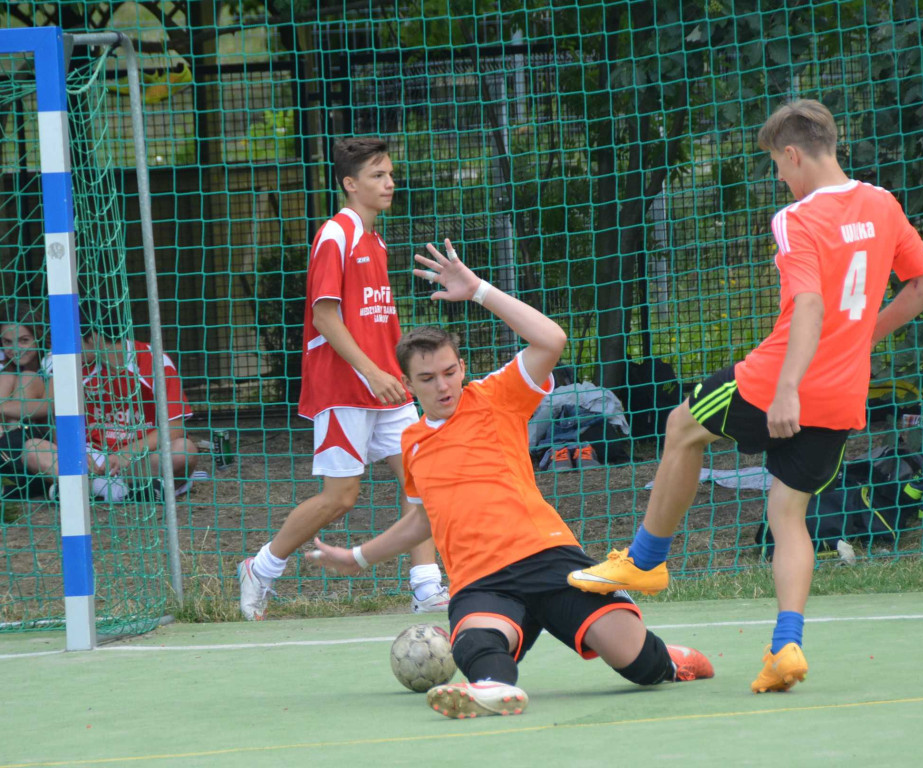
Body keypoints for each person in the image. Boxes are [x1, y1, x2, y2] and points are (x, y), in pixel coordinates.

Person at [568, 99, 923, 694]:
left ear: (793, 153)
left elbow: (813, 306)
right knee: (786, 513)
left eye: (776, 164)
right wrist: (866, 334)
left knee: (681, 425)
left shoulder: (797, 219)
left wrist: (789, 387)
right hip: (846, 391)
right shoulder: (882, 204)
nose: (777, 177)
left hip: (776, 381)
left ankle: (643, 561)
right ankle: (785, 647)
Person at [309, 239, 714, 719]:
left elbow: (551, 340)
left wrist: (478, 289)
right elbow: (422, 522)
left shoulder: (495, 397)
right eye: (427, 378)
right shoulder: (413, 442)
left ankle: (668, 659)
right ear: (408, 384)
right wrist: (358, 558)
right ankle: (493, 689)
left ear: (462, 368)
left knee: (640, 667)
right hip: (481, 580)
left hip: (547, 557)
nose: (442, 386)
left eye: (449, 371)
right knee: (478, 644)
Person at [238, 137, 447, 620]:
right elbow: (326, 317)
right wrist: (372, 372)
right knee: (341, 498)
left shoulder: (375, 240)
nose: (389, 182)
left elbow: (375, 322)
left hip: (387, 389)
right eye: (378, 175)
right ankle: (261, 567)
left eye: (390, 173)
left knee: (425, 481)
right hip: (344, 388)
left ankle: (426, 586)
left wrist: (393, 374)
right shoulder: (336, 235)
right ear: (350, 184)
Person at [23, 305, 200, 502]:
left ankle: (92, 489)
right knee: (33, 449)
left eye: (74, 341)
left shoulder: (153, 360)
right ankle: (120, 491)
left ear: (94, 338)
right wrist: (76, 451)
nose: (69, 348)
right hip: (94, 458)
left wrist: (127, 453)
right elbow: (59, 419)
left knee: (184, 450)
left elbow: (174, 427)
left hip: (140, 458)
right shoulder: (76, 365)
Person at [0, 305, 50, 499]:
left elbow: (51, 405)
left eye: (24, 341)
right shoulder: (6, 369)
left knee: (26, 376)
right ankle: (10, 478)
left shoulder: (53, 361)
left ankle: (14, 479)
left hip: (42, 442)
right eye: (7, 342)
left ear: (38, 336)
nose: (15, 349)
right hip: (11, 443)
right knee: (7, 376)